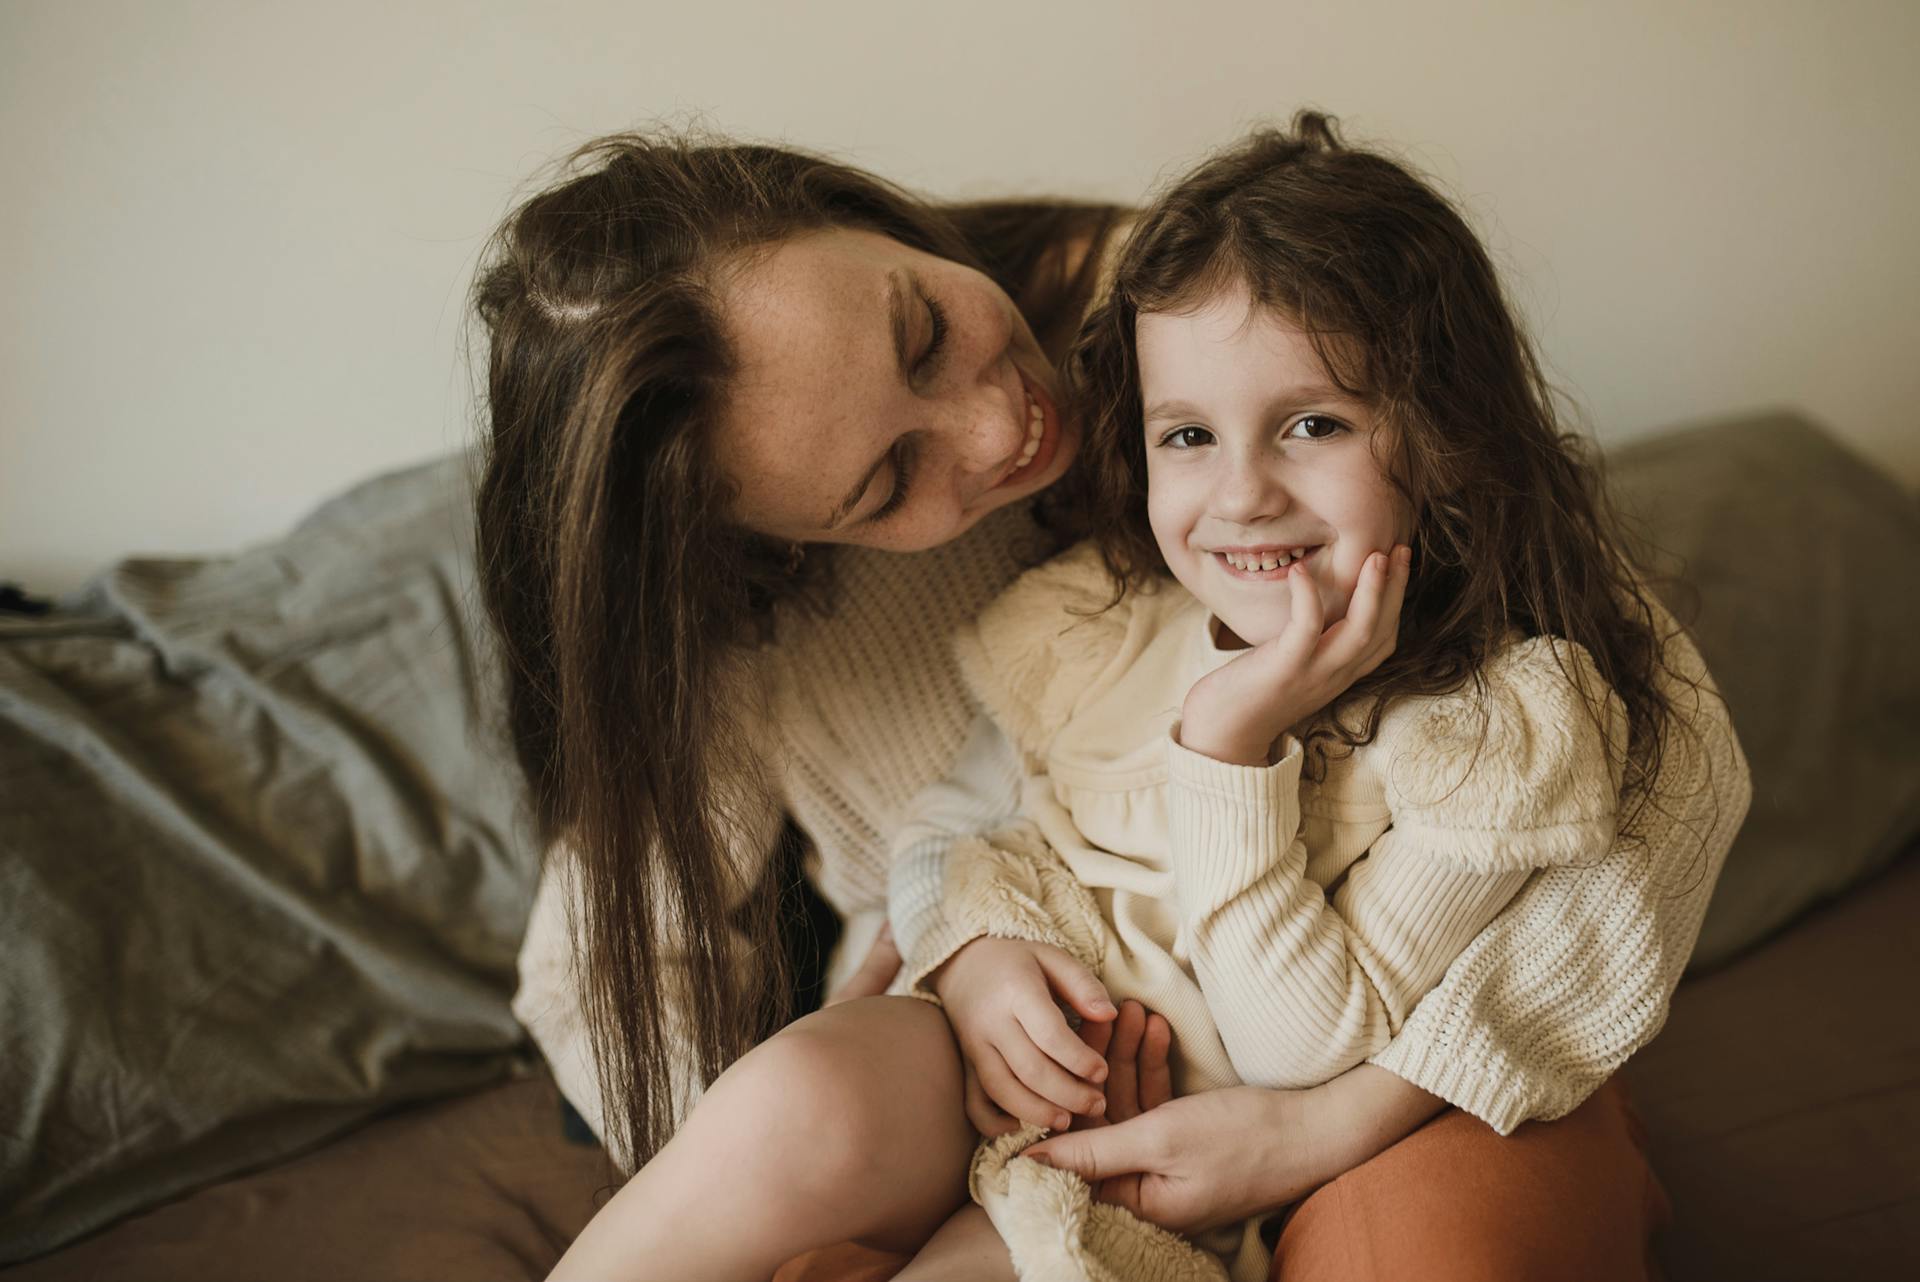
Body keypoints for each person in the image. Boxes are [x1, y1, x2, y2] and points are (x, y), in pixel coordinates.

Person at [479, 118, 1748, 1282]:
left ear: (873, 215)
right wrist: (957, 970)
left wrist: (1324, 1123)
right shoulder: (748, 623)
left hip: (1408, 1049)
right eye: (884, 483)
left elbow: (1651, 741)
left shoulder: (1209, 292)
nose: (995, 430)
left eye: (924, 332)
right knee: (807, 1113)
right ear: (765, 541)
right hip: (1027, 1067)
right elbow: (615, 966)